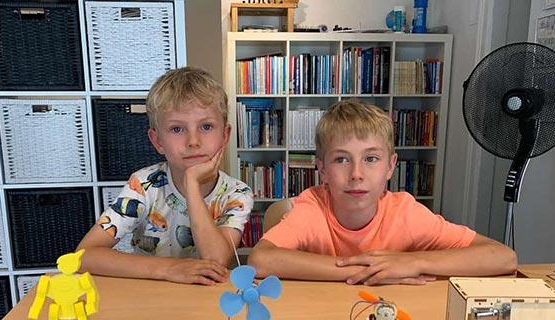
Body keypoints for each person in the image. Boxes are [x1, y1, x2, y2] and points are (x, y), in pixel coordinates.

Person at [249, 100, 516, 285]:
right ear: (322, 170)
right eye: (341, 160)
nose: (356, 173)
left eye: (371, 159)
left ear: (390, 166)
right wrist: (367, 270)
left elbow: (503, 257)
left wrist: (413, 263)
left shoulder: (405, 213)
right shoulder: (313, 208)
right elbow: (261, 259)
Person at [77, 67, 253, 285]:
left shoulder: (237, 193)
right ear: (157, 141)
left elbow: (216, 260)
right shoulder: (143, 185)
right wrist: (170, 269)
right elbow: (84, 256)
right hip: (152, 298)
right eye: (177, 129)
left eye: (206, 126)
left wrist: (191, 185)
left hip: (208, 302)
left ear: (225, 135)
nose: (193, 141)